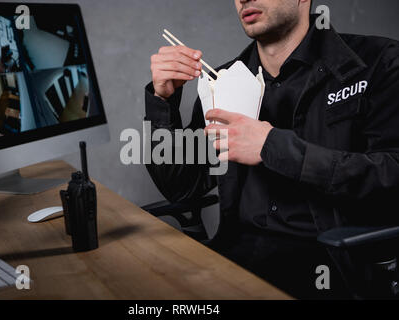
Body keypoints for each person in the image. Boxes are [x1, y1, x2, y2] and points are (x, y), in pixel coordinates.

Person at [144, 0, 399, 299]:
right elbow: (181, 188)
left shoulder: (377, 63)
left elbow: (392, 175)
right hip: (236, 259)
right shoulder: (222, 82)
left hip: (332, 268)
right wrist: (163, 103)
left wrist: (273, 146)